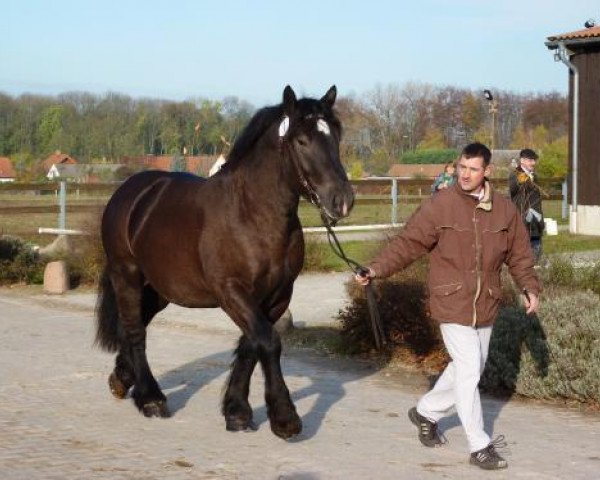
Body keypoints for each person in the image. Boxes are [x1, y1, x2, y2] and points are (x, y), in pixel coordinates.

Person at [355, 142, 540, 471]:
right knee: (469, 367)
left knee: (468, 368)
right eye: (461, 167)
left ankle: (426, 411)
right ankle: (479, 445)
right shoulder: (441, 205)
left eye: (473, 169)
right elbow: (408, 243)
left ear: (487, 172)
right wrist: (375, 269)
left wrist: (528, 287)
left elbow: (520, 255)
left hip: (485, 303)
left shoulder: (504, 210)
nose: (465, 174)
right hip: (450, 300)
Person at [509, 149, 544, 263]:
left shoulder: (535, 176)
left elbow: (537, 199)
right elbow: (513, 190)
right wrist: (520, 180)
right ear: (522, 161)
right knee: (522, 254)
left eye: (534, 160)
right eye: (530, 160)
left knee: (536, 249)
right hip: (522, 218)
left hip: (536, 219)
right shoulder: (515, 175)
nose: (533, 163)